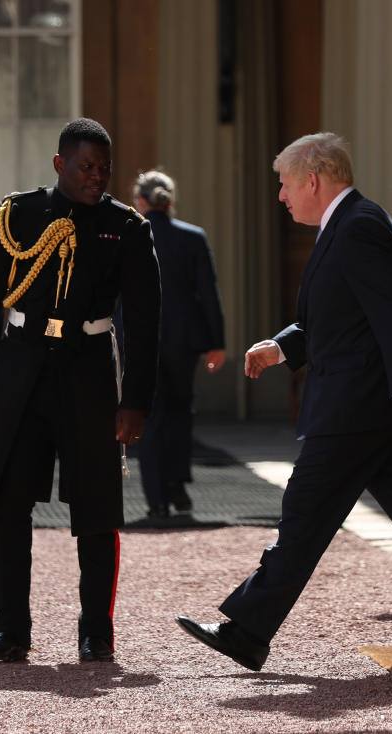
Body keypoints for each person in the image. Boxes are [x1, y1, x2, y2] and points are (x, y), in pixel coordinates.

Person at [176, 133, 392, 670]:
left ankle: (246, 631)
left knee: (304, 516)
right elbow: (337, 320)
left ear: (313, 179)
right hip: (365, 410)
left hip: (356, 410)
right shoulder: (350, 224)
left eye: (285, 185)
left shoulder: (358, 227)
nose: (281, 197)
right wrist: (282, 346)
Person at [0, 118, 160, 664]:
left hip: (90, 372)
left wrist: (136, 400)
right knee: (11, 507)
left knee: (97, 508)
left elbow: (146, 322)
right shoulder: (18, 216)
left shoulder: (126, 227)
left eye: (103, 168)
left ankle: (96, 633)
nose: (96, 177)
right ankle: (10, 632)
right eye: (84, 167)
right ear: (59, 164)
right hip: (22, 371)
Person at [132, 170, 226, 519]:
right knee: (180, 413)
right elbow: (208, 294)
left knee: (150, 416)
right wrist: (217, 342)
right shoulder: (193, 237)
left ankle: (156, 499)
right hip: (184, 342)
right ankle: (177, 485)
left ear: (140, 202)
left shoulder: (131, 235)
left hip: (142, 341)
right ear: (170, 201)